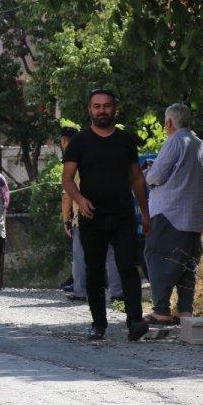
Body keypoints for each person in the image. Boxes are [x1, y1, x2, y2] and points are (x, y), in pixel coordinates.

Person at [62, 88, 151, 342]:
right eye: (97, 106)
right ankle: (98, 324)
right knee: (94, 271)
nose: (102, 110)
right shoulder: (79, 142)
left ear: (115, 108)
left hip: (122, 214)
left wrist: (145, 213)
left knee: (127, 267)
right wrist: (79, 200)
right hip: (92, 216)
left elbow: (136, 178)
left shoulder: (126, 140)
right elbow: (67, 179)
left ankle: (135, 321)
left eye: (107, 105)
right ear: (89, 109)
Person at [142, 103, 203, 326]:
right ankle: (185, 311)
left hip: (169, 213)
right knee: (187, 264)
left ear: (169, 122)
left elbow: (155, 177)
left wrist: (147, 172)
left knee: (157, 256)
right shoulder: (201, 145)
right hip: (194, 216)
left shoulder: (174, 142)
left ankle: (161, 310)